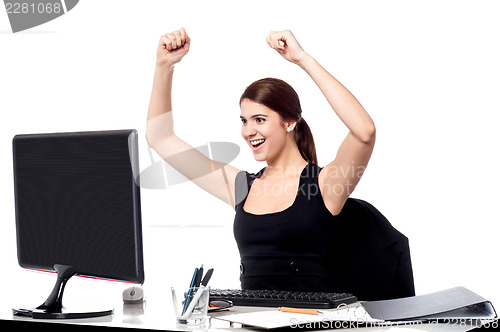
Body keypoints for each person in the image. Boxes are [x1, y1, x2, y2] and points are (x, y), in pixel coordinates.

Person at [146, 28, 414, 299]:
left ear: (289, 122)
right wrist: (164, 66)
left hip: (309, 325)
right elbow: (160, 138)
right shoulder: (242, 188)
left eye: (260, 119)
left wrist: (302, 59)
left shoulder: (326, 185)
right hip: (250, 324)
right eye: (244, 120)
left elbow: (364, 130)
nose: (248, 131)